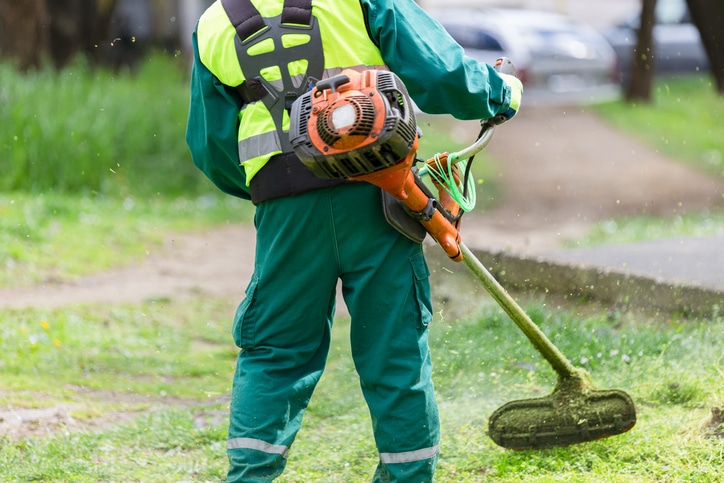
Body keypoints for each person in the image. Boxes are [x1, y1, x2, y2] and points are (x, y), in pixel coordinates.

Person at [185, 1, 522, 481]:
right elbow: (439, 69)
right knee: (393, 346)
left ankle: (250, 476)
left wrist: (276, 191)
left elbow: (211, 147)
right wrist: (499, 93)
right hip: (378, 191)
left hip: (286, 210)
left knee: (276, 351)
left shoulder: (213, 22)